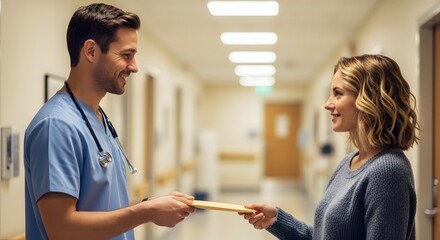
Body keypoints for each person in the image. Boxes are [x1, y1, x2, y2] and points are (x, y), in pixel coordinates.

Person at [24, 3, 195, 240]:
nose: (134, 67)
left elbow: (99, 208)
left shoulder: (97, 117)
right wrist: (145, 212)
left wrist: (147, 204)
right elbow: (62, 228)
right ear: (91, 51)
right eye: (126, 55)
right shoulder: (57, 126)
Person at [240, 54, 419, 240]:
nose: (327, 104)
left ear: (368, 99)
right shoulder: (348, 162)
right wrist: (276, 220)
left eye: (338, 93)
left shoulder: (387, 172)